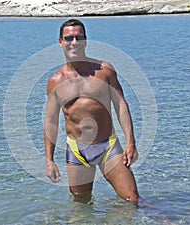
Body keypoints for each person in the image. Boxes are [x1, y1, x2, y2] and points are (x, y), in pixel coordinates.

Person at [44, 19, 139, 204]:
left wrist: (130, 143)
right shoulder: (55, 81)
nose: (74, 42)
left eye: (78, 37)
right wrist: (49, 160)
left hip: (108, 146)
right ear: (60, 42)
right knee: (81, 204)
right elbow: (51, 122)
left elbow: (121, 106)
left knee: (132, 199)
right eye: (68, 38)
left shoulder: (104, 70)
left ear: (85, 41)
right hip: (76, 150)